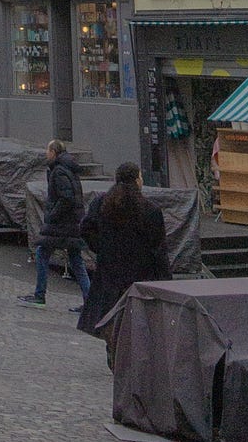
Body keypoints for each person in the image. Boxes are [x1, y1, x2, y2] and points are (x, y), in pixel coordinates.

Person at [77, 162, 171, 343]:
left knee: (111, 321)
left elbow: (86, 228)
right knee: (136, 325)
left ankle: (113, 354)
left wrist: (102, 247)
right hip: (140, 275)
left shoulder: (102, 204)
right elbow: (159, 249)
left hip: (110, 273)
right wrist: (165, 280)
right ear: (137, 180)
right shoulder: (150, 210)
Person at [23, 139, 91, 306]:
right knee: (76, 261)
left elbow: (66, 198)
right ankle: (89, 301)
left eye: (47, 150)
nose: (46, 153)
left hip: (62, 225)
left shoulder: (59, 171)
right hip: (72, 223)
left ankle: (40, 295)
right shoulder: (68, 169)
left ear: (53, 152)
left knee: (42, 253)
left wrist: (52, 215)